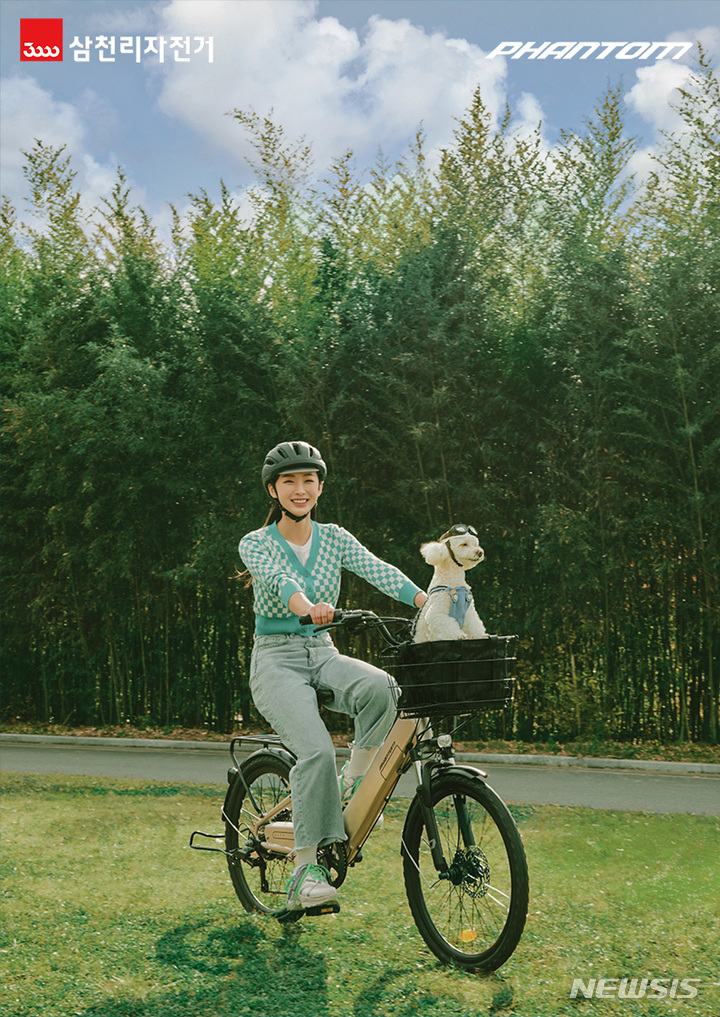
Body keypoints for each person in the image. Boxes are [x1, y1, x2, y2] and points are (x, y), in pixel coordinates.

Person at [238, 440, 428, 914]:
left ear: (320, 487)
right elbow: (283, 582)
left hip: (322, 653)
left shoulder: (336, 537)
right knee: (317, 751)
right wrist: (309, 609)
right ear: (273, 490)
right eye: (289, 481)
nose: (299, 489)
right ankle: (306, 871)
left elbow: (379, 571)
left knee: (383, 689)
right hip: (277, 660)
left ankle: (353, 785)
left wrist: (430, 603)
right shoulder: (255, 543)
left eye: (308, 480)